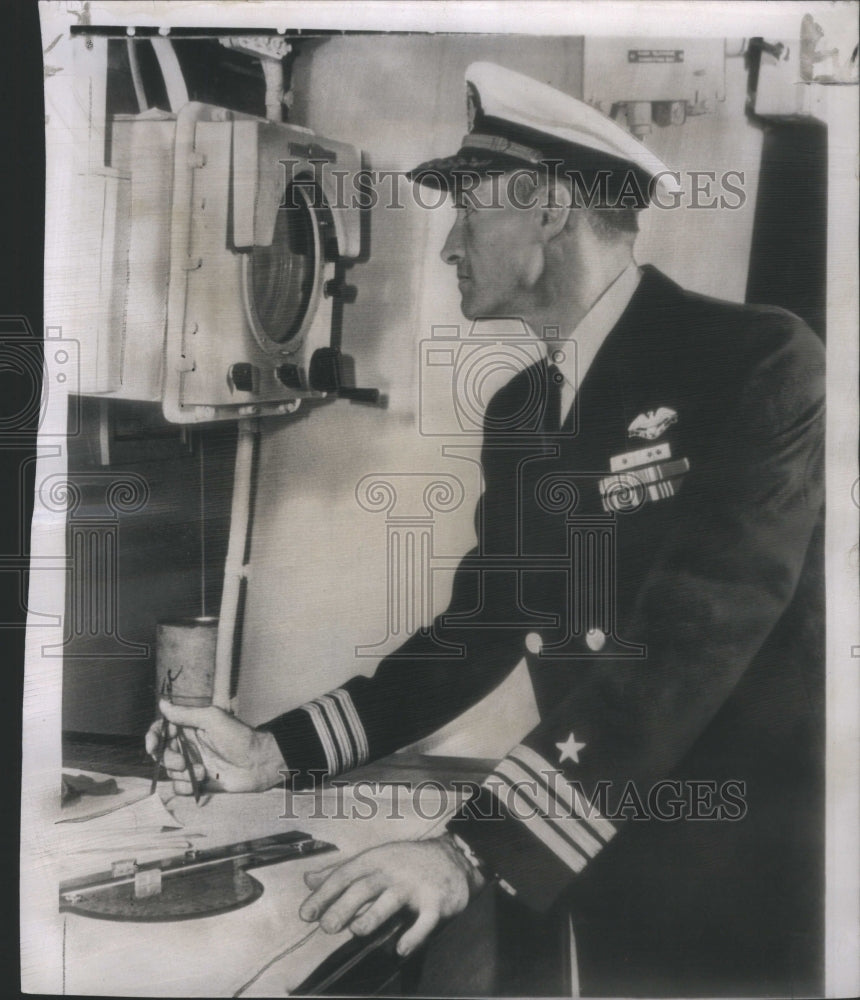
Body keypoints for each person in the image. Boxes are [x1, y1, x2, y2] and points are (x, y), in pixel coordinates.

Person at [148, 63, 825, 996]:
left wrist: (471, 849)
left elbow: (691, 641)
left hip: (748, 864)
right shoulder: (522, 410)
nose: (447, 246)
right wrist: (277, 750)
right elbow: (479, 630)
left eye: (468, 210)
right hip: (593, 835)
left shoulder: (756, 360)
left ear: (548, 207)